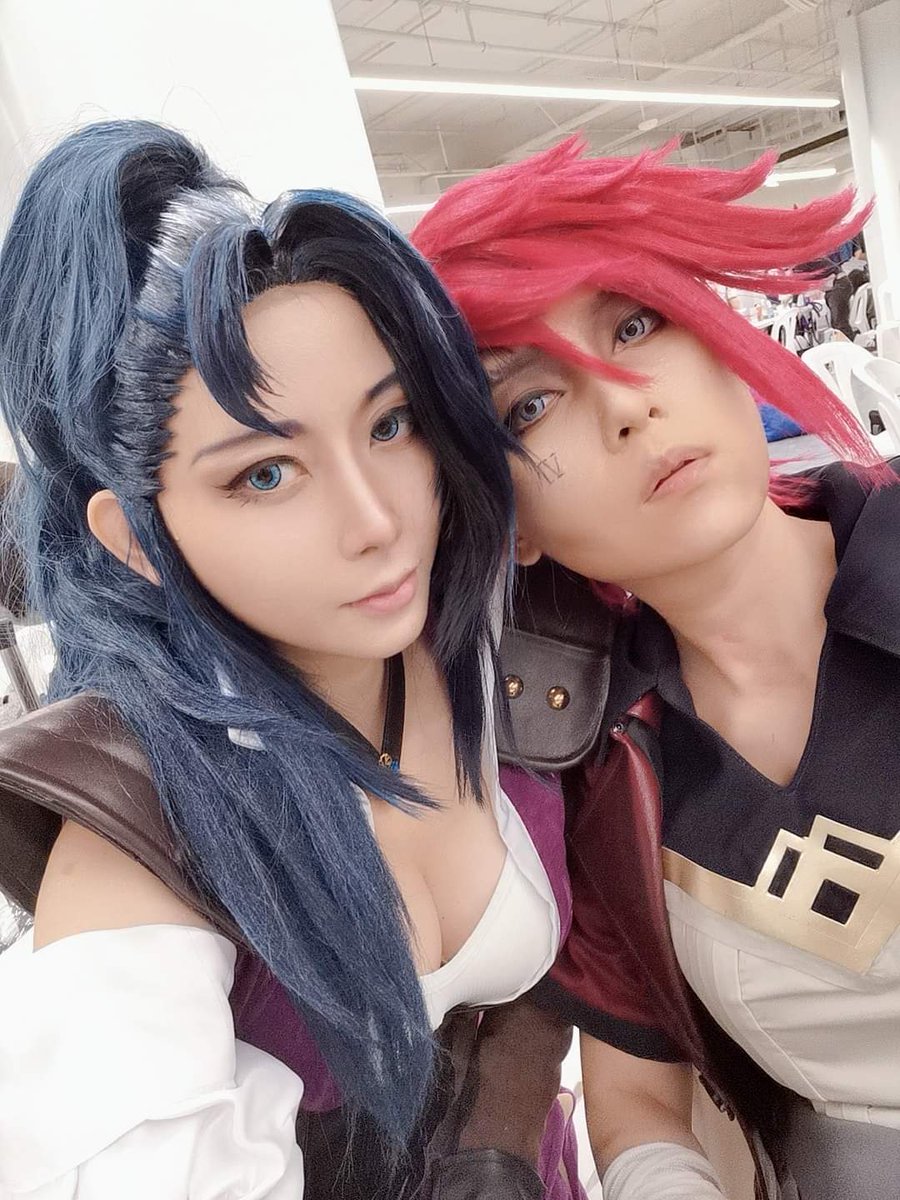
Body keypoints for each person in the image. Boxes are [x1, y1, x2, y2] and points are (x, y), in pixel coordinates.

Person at [0, 121, 583, 1200]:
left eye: (390, 424)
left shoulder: (498, 640)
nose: (377, 522)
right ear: (140, 542)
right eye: (265, 475)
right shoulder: (144, 834)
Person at [415, 136, 900, 1199]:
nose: (625, 402)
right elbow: (636, 1098)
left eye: (635, 325)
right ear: (509, 526)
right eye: (529, 406)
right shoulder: (595, 775)